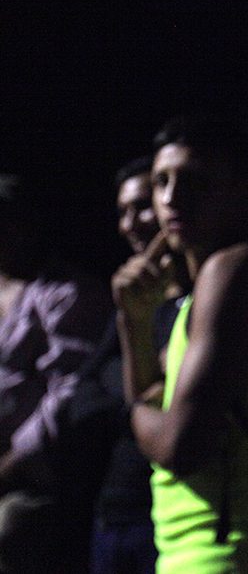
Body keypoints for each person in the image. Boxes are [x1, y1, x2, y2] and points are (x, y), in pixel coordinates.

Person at [113, 115, 248, 573]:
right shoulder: (197, 297)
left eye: (194, 181)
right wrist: (133, 320)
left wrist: (133, 408)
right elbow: (155, 405)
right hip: (186, 555)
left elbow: (178, 446)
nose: (171, 198)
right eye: (161, 181)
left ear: (245, 191)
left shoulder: (234, 271)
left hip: (227, 555)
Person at [60, 156, 187, 574]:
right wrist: (145, 388)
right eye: (122, 212)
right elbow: (80, 396)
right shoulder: (134, 301)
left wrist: (128, 388)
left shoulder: (200, 303)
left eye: (142, 207)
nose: (130, 224)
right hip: (112, 509)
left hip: (165, 515)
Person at [0, 174, 111, 573]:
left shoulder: (65, 294)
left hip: (34, 476)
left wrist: (12, 463)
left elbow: (68, 390)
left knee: (10, 527)